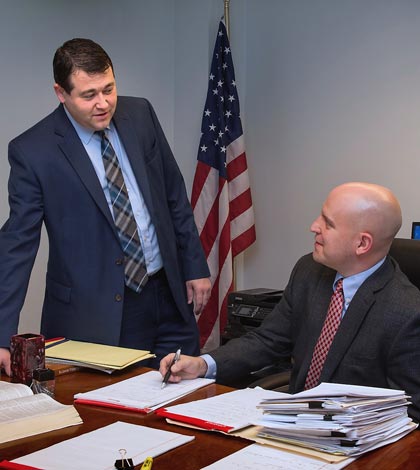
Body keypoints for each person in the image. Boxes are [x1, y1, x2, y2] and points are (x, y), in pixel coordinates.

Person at [0, 38, 211, 374]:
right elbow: (17, 246)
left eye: (108, 89)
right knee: (116, 416)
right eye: (89, 95)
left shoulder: (140, 114)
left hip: (167, 295)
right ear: (61, 93)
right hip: (98, 313)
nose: (103, 103)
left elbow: (172, 193)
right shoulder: (33, 151)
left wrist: (195, 265)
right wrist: (2, 334)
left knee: (180, 399)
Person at [160, 182, 420, 421]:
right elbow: (268, 340)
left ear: (362, 243)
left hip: (354, 445)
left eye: (328, 223)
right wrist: (203, 364)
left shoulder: (407, 312)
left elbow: (410, 412)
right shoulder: (310, 270)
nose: (314, 226)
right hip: (291, 425)